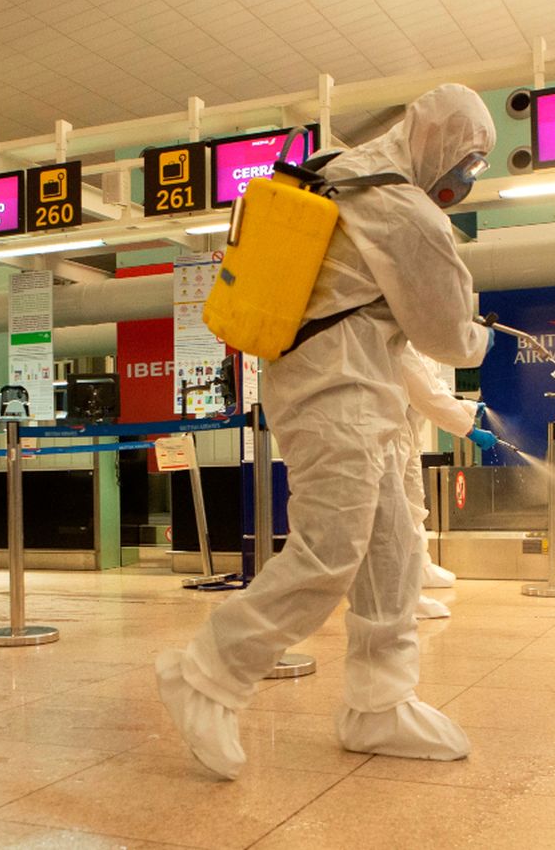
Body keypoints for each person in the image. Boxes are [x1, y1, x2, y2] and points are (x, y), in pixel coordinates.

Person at [157, 84, 496, 778]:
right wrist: (484, 339)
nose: (463, 180)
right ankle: (207, 673)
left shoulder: (343, 171)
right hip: (334, 398)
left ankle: (380, 702)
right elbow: (449, 334)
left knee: (393, 549)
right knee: (330, 551)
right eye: (469, 161)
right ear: (444, 144)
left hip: (345, 391)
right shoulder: (403, 209)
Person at [396, 345, 498, 620]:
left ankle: (421, 570)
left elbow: (433, 387)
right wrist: (468, 429)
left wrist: (465, 407)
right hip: (387, 437)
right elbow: (427, 397)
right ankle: (403, 598)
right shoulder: (399, 341)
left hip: (404, 435)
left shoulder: (420, 347)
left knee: (414, 507)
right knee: (398, 520)